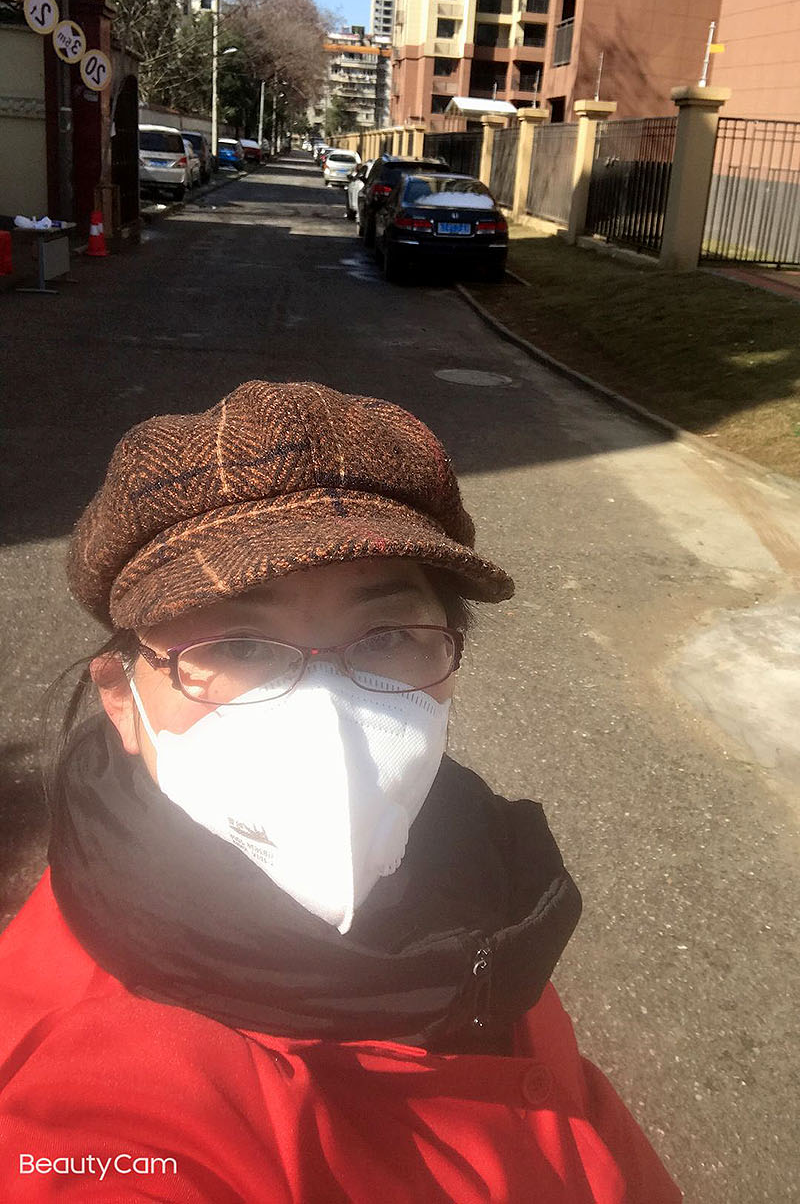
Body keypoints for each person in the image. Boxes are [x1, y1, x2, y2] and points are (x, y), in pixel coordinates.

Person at [0, 380, 682, 1202]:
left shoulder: (484, 879)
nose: (327, 712)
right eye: (240, 645)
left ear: (447, 659)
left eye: (386, 636)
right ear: (121, 697)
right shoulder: (93, 1092)